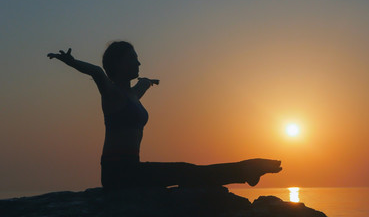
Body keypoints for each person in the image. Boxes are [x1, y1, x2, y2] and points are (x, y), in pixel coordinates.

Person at [47, 41, 282, 190]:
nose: (139, 61)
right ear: (118, 63)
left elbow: (142, 86)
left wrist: (149, 82)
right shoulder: (112, 94)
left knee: (187, 171)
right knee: (185, 171)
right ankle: (246, 171)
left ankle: (246, 172)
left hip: (133, 167)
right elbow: (97, 72)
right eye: (133, 58)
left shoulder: (131, 95)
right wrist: (71, 61)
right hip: (117, 172)